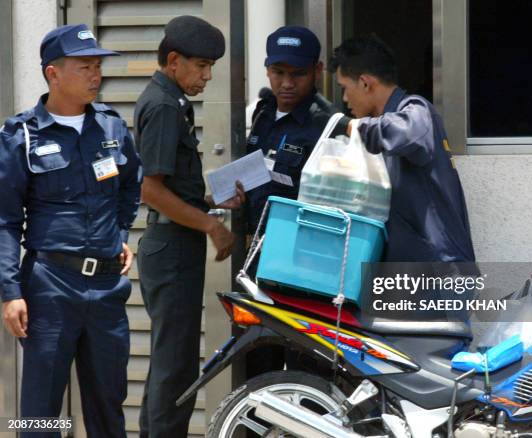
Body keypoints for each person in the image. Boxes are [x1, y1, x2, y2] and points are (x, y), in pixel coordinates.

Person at [0, 24, 141, 437]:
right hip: (50, 286)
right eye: (85, 67)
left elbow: (132, 183)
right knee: (43, 414)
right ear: (53, 73)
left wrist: (119, 232)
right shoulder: (21, 136)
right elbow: (5, 220)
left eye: (98, 66)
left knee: (107, 409)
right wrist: (10, 293)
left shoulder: (112, 128)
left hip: (107, 289)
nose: (95, 76)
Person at [134, 16, 243, 438]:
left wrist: (211, 200)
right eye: (201, 65)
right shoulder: (163, 105)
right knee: (173, 365)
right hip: (171, 247)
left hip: (174, 244)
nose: (208, 76)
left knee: (171, 362)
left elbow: (172, 185)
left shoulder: (172, 100)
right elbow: (151, 189)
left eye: (211, 66)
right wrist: (212, 226)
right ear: (174, 60)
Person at [329, 35, 476, 264]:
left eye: (344, 89)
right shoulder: (384, 127)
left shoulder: (416, 111)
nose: (345, 99)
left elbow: (408, 132)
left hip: (440, 274)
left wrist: (352, 126)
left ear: (365, 83)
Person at [245, 25, 342, 238]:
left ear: (317, 70)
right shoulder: (262, 112)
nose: (287, 83)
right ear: (267, 69)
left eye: (299, 74)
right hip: (255, 244)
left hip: (298, 246)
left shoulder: (328, 123)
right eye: (278, 72)